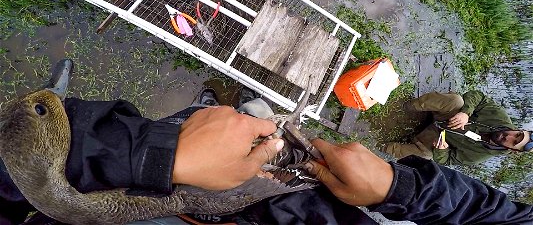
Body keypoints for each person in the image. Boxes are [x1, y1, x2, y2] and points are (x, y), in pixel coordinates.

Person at [1, 88, 532, 224]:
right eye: (513, 138)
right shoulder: (486, 122)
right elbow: (494, 214)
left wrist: (152, 158)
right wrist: (403, 187)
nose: (509, 142)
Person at [383, 90, 532, 165]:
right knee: (456, 101)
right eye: (517, 134)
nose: (509, 137)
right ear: (518, 129)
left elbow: (447, 160)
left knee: (426, 157)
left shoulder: (478, 156)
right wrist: (465, 113)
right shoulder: (499, 117)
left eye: (514, 142)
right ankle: (406, 106)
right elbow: (478, 96)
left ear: (512, 150)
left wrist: (442, 150)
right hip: (445, 115)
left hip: (435, 137)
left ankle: (381, 146)